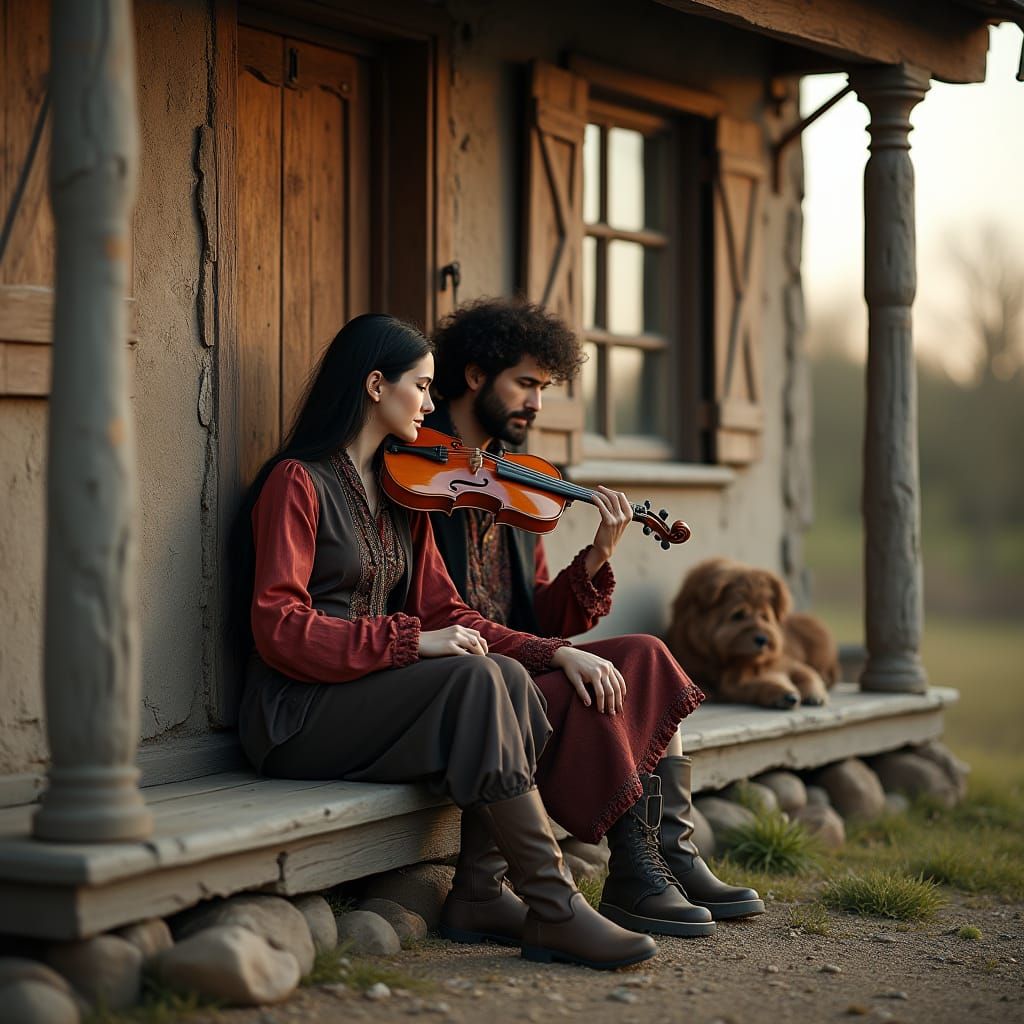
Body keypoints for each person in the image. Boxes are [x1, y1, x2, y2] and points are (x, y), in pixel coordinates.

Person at [233, 312, 710, 972]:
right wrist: (411, 642)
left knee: (503, 674)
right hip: (295, 714)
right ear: (376, 386)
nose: (430, 406)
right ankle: (555, 904)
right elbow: (279, 630)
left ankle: (487, 891)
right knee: (479, 679)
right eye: (421, 387)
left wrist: (547, 651)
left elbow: (445, 609)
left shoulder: (401, 495)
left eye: (432, 390)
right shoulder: (298, 481)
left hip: (361, 702)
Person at [427, 298, 765, 932]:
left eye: (544, 388)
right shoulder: (418, 473)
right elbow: (436, 609)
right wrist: (552, 652)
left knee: (645, 656)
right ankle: (635, 867)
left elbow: (543, 612)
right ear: (474, 377)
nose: (535, 403)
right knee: (601, 685)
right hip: (467, 673)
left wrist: (599, 552)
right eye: (525, 384)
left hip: (518, 656)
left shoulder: (520, 482)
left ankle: (670, 851)